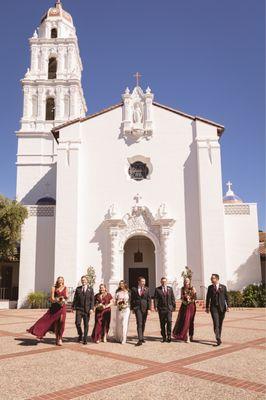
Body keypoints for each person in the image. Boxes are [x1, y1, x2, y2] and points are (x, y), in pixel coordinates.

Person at [27, 276, 68, 346]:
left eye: (61, 280)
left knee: (61, 322)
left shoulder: (65, 287)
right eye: (59, 280)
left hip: (62, 307)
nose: (60, 281)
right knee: (46, 320)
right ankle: (40, 332)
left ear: (63, 281)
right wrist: (57, 300)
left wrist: (64, 299)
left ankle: (60, 338)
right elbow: (51, 299)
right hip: (55, 307)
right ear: (57, 281)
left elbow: (66, 296)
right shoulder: (53, 287)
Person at [205, 273, 229, 346]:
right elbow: (208, 298)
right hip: (213, 308)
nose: (211, 279)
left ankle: (219, 336)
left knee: (220, 323)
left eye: (213, 278)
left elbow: (226, 297)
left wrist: (228, 306)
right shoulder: (210, 287)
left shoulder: (223, 287)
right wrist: (207, 307)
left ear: (217, 279)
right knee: (216, 323)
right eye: (211, 278)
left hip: (222, 308)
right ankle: (218, 338)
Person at [173, 277, 196, 343]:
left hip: (191, 306)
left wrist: (190, 300)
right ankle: (186, 336)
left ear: (189, 281)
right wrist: (185, 301)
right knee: (185, 321)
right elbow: (181, 297)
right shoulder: (182, 288)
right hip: (184, 306)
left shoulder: (192, 288)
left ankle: (191, 335)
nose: (186, 282)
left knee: (191, 321)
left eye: (187, 280)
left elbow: (195, 297)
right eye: (185, 281)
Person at [72, 275, 94, 345]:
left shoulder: (91, 289)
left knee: (86, 324)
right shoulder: (78, 289)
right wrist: (73, 307)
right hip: (79, 309)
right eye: (82, 280)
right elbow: (75, 299)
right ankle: (80, 334)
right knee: (77, 323)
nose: (83, 281)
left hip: (87, 310)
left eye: (84, 280)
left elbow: (92, 300)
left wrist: (91, 308)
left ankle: (85, 339)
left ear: (87, 281)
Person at [154, 277, 176, 342]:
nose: (164, 283)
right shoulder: (157, 289)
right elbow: (156, 298)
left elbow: (172, 298)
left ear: (167, 282)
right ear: (161, 282)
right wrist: (155, 306)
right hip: (161, 309)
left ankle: (169, 335)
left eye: (165, 281)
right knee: (162, 323)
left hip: (169, 309)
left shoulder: (170, 289)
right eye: (162, 281)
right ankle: (164, 336)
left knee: (169, 321)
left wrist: (173, 306)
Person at [130, 276, 151, 346]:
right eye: (142, 281)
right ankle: (139, 339)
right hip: (137, 308)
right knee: (139, 323)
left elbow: (149, 300)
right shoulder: (134, 289)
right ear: (138, 282)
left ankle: (142, 337)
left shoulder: (147, 289)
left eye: (144, 282)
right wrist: (132, 308)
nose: (143, 283)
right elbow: (132, 299)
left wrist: (149, 309)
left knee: (143, 323)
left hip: (145, 308)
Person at [114, 280, 131, 344]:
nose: (121, 285)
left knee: (124, 323)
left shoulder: (128, 292)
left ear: (125, 284)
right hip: (119, 309)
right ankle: (119, 337)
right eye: (120, 284)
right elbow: (115, 301)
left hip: (126, 309)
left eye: (122, 284)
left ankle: (124, 338)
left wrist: (126, 305)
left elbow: (130, 300)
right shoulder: (117, 292)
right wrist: (118, 303)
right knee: (119, 324)